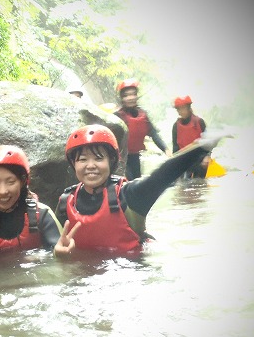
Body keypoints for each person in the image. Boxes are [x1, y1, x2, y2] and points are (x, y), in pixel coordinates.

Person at [53, 124, 226, 257]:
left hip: (131, 275)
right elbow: (54, 245)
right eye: (82, 159)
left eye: (99, 158)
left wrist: (202, 148)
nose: (90, 166)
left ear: (112, 162)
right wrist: (59, 255)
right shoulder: (65, 203)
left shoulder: (129, 196)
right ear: (73, 165)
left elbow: (162, 176)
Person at [0, 145, 63, 260]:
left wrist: (45, 255)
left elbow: (59, 251)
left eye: (11, 182)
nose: (3, 191)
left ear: (22, 181)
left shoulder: (43, 214)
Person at [113, 78, 170, 180]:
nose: (131, 98)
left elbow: (153, 134)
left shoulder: (143, 115)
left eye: (133, 94)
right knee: (127, 184)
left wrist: (166, 149)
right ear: (122, 98)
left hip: (135, 157)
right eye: (126, 95)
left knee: (136, 183)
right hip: (120, 160)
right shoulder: (117, 116)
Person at [171, 95, 209, 178]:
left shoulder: (200, 122)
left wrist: (207, 157)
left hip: (200, 161)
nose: (180, 111)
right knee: (183, 187)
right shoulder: (175, 126)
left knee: (198, 185)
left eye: (183, 108)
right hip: (183, 162)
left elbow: (208, 143)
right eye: (178, 109)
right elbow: (175, 148)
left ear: (188, 107)